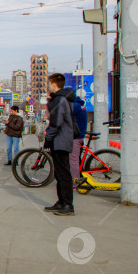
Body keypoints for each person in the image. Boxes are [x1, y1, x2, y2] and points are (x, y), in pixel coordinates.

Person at [44, 73, 77, 216]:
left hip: (61, 140)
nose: (48, 86)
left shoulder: (59, 100)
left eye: (49, 83)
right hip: (61, 139)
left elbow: (56, 123)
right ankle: (61, 201)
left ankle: (68, 204)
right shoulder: (62, 98)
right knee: (59, 173)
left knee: (63, 173)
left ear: (54, 84)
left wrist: (48, 139)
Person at [70, 92, 88, 182]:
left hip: (76, 136)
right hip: (80, 135)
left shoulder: (75, 106)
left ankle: (76, 181)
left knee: (74, 160)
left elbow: (64, 116)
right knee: (78, 159)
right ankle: (80, 176)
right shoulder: (80, 105)